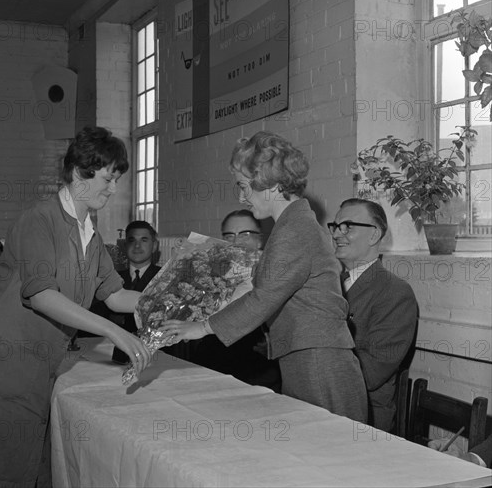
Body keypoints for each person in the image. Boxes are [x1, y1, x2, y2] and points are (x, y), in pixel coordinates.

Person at [0, 127, 151, 488]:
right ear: (79, 174)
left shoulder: (90, 232)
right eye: (108, 179)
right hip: (0, 364)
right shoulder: (39, 220)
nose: (112, 188)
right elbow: (42, 295)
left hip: (39, 365)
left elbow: (115, 294)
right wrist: (113, 330)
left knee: (29, 466)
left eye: (116, 180)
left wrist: (168, 300)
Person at [161, 131, 368, 422]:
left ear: (269, 186)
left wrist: (202, 327)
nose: (241, 196)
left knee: (332, 453)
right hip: (307, 355)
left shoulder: (294, 230)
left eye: (244, 187)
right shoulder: (293, 224)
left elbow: (263, 297)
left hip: (319, 360)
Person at [328, 198, 419, 432]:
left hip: (362, 421)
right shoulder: (327, 285)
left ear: (374, 235)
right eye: (335, 226)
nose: (337, 234)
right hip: (322, 404)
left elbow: (370, 373)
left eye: (347, 226)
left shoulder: (395, 293)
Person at [190, 209, 282, 392]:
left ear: (260, 239)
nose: (237, 241)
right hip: (214, 352)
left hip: (257, 360)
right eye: (230, 235)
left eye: (245, 234)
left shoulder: (274, 271)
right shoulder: (210, 269)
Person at [112, 220, 162, 363]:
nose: (137, 245)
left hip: (155, 355)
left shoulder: (165, 278)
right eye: (131, 240)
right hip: (116, 352)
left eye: (144, 240)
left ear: (154, 246)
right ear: (125, 245)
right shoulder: (112, 278)